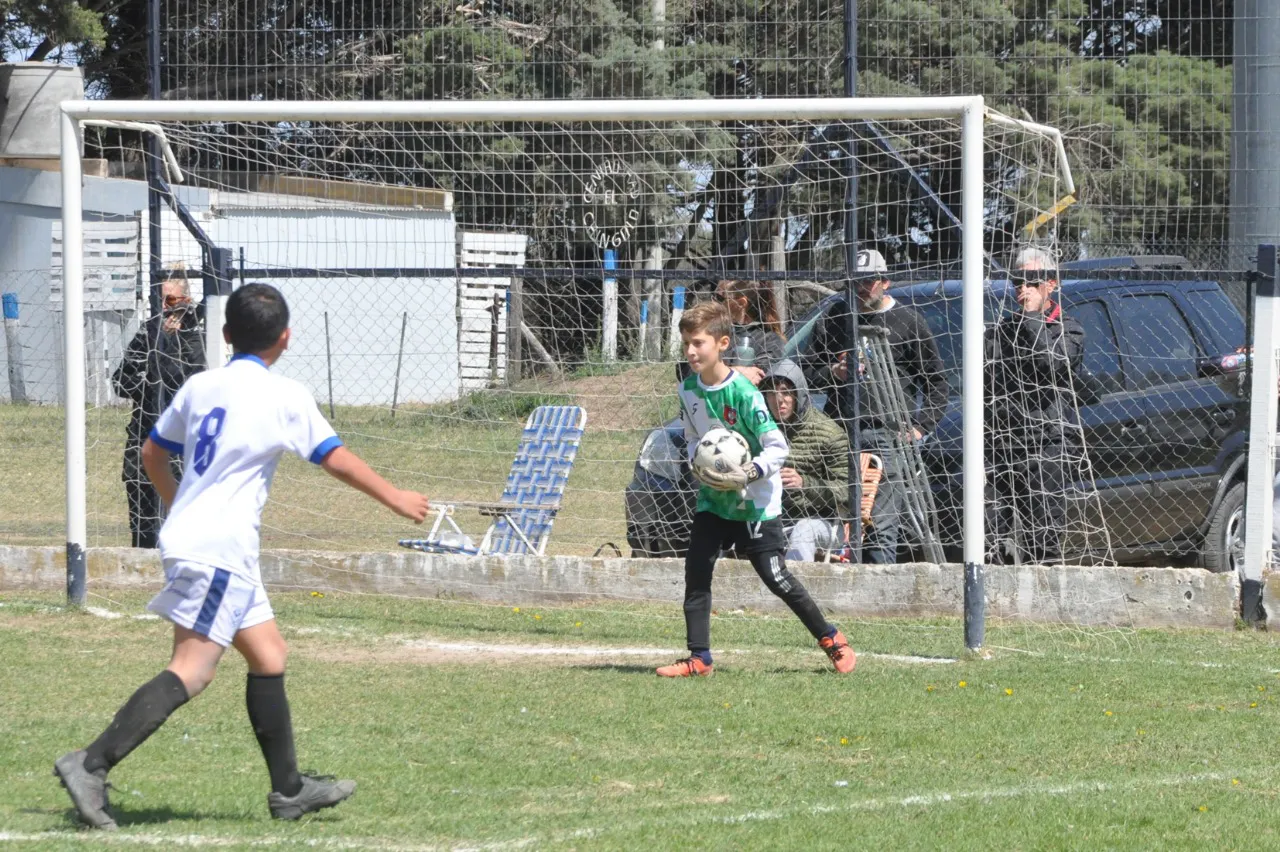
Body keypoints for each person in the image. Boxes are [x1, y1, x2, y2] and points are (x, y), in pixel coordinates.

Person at [54, 283, 431, 830]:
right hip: (217, 549)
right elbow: (335, 458)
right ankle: (90, 764)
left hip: (204, 540)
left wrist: (177, 504)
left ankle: (289, 791)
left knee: (269, 655)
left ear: (225, 335)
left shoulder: (201, 385)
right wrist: (395, 497)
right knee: (193, 669)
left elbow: (153, 452)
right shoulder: (285, 396)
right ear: (286, 338)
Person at [655, 300, 856, 678]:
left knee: (776, 578)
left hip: (756, 504)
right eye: (686, 344)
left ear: (723, 344)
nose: (691, 351)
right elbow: (694, 438)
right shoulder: (687, 390)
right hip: (714, 501)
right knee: (696, 572)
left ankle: (831, 638)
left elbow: (778, 448)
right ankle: (700, 658)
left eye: (698, 343)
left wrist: (748, 472)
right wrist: (700, 468)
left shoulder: (745, 395)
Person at [801, 248, 948, 563]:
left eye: (869, 281)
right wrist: (834, 372)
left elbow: (936, 382)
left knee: (882, 526)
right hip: (839, 433)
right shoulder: (833, 318)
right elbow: (806, 373)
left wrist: (921, 427)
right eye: (856, 282)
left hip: (887, 434)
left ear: (886, 281)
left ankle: (882, 591)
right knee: (839, 522)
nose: (862, 289)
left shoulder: (909, 322)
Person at [986, 246, 1085, 565]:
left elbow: (1051, 364)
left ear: (1051, 284)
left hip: (1047, 446)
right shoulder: (1002, 331)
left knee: (1043, 539)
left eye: (1031, 282)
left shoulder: (1068, 329)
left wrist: (1030, 319)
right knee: (990, 534)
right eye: (1018, 282)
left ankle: (1045, 605)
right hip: (1002, 446)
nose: (1023, 289)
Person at [112, 278, 206, 548]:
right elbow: (121, 380)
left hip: (182, 435)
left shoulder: (198, 334)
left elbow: (183, 382)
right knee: (139, 492)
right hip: (145, 427)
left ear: (187, 299)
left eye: (172, 299)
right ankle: (141, 553)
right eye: (161, 300)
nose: (166, 306)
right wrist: (149, 382)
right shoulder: (149, 330)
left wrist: (163, 350)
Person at [759, 359, 850, 563]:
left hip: (823, 523)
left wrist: (805, 483)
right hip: (772, 516)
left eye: (786, 392)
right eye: (772, 392)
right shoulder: (760, 429)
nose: (779, 400)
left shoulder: (829, 433)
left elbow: (847, 490)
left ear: (799, 393)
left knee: (804, 530)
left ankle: (795, 591)